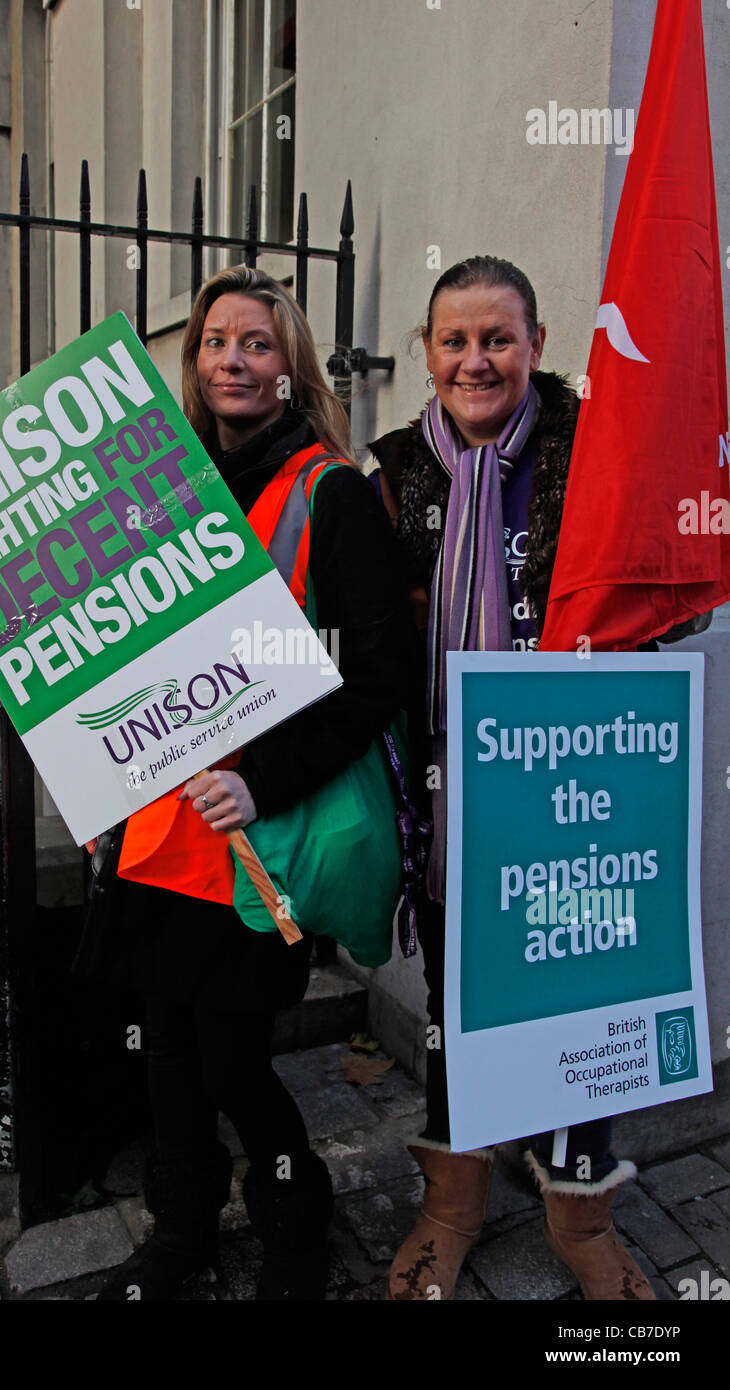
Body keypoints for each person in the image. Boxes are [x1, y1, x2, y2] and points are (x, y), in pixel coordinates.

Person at [367, 255, 707, 1303]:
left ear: (536, 346)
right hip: (446, 786)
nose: (476, 359)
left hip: (575, 786)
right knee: (456, 993)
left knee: (584, 982)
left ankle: (579, 1208)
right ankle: (451, 1203)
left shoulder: (596, 452)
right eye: (454, 340)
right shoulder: (384, 475)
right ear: (426, 355)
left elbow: (670, 596)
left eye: (497, 338)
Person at [96, 265, 417, 1301]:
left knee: (232, 1059)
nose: (232, 359)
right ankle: (177, 1233)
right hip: (153, 832)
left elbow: (377, 674)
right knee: (167, 1063)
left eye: (256, 343)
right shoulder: (163, 493)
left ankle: (294, 1224)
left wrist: (264, 782)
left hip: (254, 844)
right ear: (193, 365)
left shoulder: (329, 490)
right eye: (214, 343)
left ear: (292, 369)